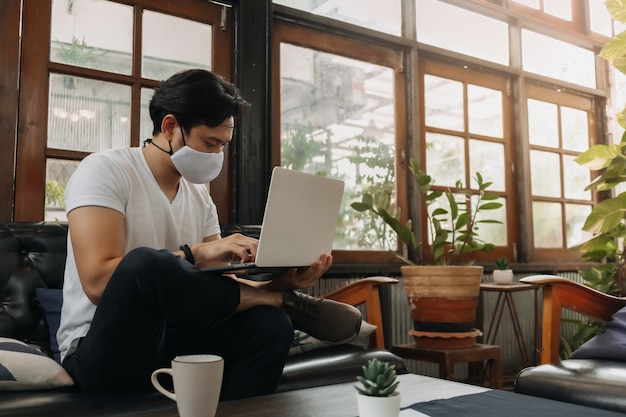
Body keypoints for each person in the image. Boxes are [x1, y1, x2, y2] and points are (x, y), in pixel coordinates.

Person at [57, 69, 361, 400]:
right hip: (102, 348)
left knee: (271, 326)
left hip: (176, 338)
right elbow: (99, 282)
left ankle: (280, 306)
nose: (217, 155)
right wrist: (197, 253)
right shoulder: (105, 170)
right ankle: (281, 303)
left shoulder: (199, 196)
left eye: (223, 145)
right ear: (171, 127)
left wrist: (282, 283)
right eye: (210, 143)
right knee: (145, 263)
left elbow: (211, 292)